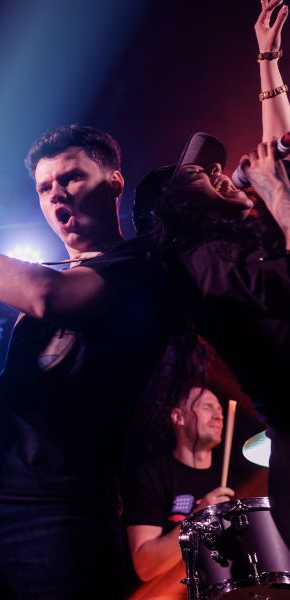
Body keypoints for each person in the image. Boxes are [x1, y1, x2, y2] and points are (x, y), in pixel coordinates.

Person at [0, 125, 181, 599]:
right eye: (45, 187)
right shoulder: (54, 272)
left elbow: (46, 296)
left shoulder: (139, 267)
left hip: (58, 507)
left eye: (72, 178)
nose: (56, 194)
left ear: (114, 182)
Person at [132, 0, 290, 549]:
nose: (221, 172)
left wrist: (267, 60)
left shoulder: (240, 243)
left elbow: (282, 158)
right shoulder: (204, 265)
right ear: (178, 209)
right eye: (201, 173)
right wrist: (276, 193)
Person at [125, 386, 233, 589]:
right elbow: (145, 567)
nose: (219, 416)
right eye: (207, 407)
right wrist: (198, 518)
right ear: (179, 417)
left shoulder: (232, 482)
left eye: (220, 410)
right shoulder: (152, 475)